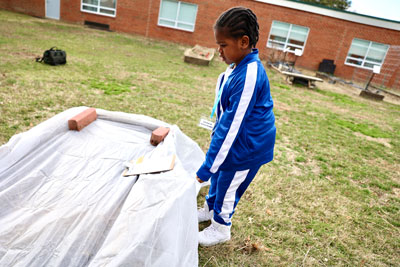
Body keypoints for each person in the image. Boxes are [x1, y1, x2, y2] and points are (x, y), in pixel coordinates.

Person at [196, 7, 276, 247]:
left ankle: (221, 227)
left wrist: (206, 167)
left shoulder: (250, 73)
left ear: (243, 42)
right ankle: (210, 209)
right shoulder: (234, 67)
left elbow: (232, 126)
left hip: (247, 147)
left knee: (228, 185)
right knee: (220, 178)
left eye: (223, 45)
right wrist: (214, 164)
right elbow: (225, 115)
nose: (219, 51)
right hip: (236, 140)